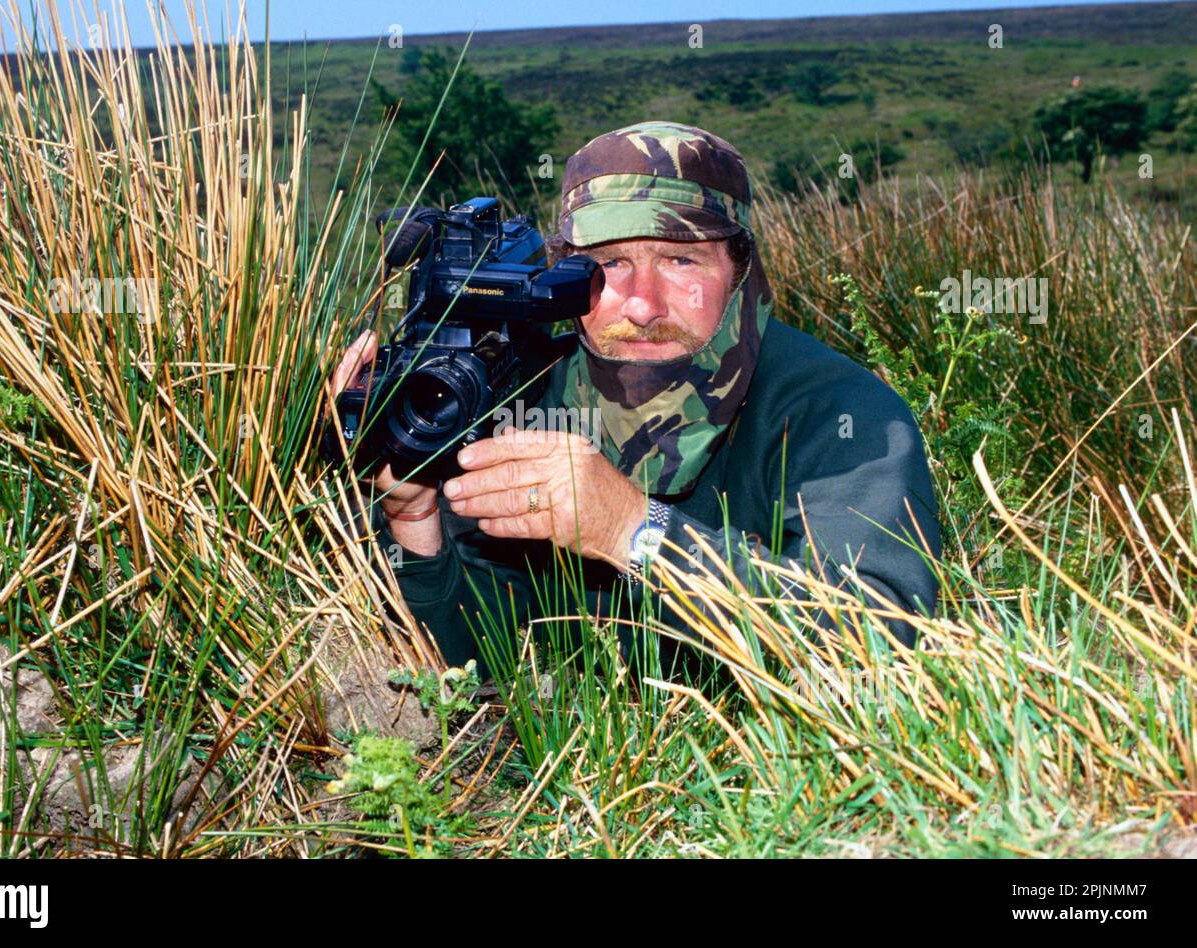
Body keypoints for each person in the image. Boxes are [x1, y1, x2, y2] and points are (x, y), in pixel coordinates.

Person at [330, 121, 941, 680]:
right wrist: (414, 522)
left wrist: (634, 531)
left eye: (681, 259)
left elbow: (877, 645)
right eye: (609, 263)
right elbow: (468, 669)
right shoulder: (516, 397)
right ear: (563, 275)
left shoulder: (841, 415)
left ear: (740, 268)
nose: (643, 305)